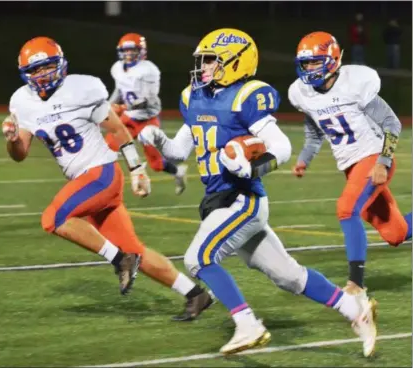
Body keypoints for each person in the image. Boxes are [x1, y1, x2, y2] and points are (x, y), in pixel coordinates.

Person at [139, 28, 378, 357]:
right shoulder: (194, 97)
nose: (204, 67)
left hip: (242, 199)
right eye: (203, 61)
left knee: (199, 258)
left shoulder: (244, 97)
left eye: (212, 61)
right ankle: (355, 310)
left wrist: (250, 168)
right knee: (289, 277)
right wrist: (158, 140)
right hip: (218, 200)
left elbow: (281, 147)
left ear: (236, 63)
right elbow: (181, 150)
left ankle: (248, 324)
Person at [2, 36, 213, 321]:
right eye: (35, 70)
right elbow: (20, 154)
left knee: (53, 218)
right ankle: (195, 294)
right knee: (134, 248)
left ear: (60, 65)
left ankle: (119, 260)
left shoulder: (81, 88)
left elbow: (116, 129)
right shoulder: (22, 101)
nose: (41, 75)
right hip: (87, 180)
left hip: (101, 172)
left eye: (47, 67)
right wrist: (13, 139)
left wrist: (137, 168)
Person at [289, 30, 412, 318]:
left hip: (372, 158)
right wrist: (304, 158)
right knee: (396, 233)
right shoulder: (302, 93)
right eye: (305, 64)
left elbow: (392, 123)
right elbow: (314, 131)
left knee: (346, 210)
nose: (309, 69)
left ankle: (356, 286)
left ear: (332, 60)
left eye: (314, 62)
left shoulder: (354, 83)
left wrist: (383, 161)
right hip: (351, 165)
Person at [107, 33, 188, 195]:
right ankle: (108, 186)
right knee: (108, 146)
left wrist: (122, 107)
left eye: (132, 50)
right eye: (126, 51)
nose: (129, 54)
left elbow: (146, 101)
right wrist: (109, 105)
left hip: (147, 120)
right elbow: (119, 89)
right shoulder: (117, 68)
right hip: (129, 117)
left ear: (141, 51)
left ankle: (178, 172)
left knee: (156, 164)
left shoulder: (149, 70)